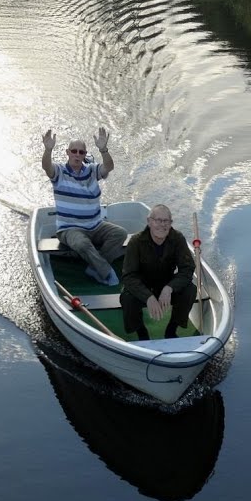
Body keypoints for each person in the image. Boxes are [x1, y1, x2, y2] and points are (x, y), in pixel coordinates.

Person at [42, 126, 128, 287]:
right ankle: (106, 272)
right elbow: (47, 167)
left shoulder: (91, 170)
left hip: (95, 225)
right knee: (81, 244)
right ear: (67, 152)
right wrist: (48, 150)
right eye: (74, 151)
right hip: (69, 228)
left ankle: (94, 268)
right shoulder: (59, 172)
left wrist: (103, 150)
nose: (77, 155)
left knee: (120, 234)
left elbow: (108, 167)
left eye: (81, 152)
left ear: (84, 155)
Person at [120, 204, 197, 340]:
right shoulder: (136, 241)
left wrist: (169, 288)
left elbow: (187, 268)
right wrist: (148, 296)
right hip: (143, 286)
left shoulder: (177, 238)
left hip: (167, 284)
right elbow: (129, 276)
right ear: (149, 222)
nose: (162, 225)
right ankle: (141, 333)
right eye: (157, 220)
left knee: (190, 290)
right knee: (127, 297)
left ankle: (171, 330)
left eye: (166, 221)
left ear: (171, 223)